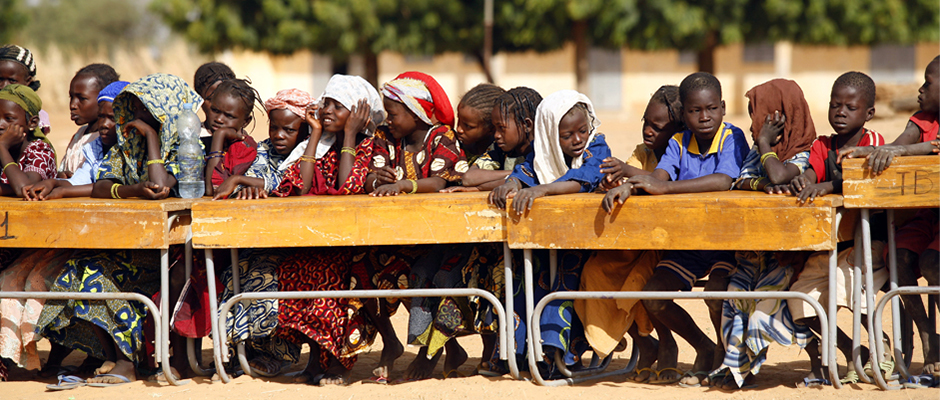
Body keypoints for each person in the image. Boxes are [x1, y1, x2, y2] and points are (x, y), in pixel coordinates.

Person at [36, 74, 201, 386]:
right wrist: (135, 189)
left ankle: (127, 361)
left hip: (168, 254)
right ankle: (117, 357)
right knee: (76, 270)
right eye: (133, 111)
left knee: (95, 274)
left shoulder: (186, 145)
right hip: (131, 247)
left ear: (161, 112)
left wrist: (152, 138)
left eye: (142, 112)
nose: (133, 119)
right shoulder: (126, 146)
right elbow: (102, 186)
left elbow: (162, 185)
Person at [612, 72, 748, 387]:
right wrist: (632, 185)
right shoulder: (677, 141)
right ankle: (704, 346)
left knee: (716, 294)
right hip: (687, 243)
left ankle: (721, 359)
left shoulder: (732, 137)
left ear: (723, 108)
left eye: (711, 109)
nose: (704, 117)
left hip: (726, 242)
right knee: (653, 295)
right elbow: (658, 177)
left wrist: (664, 188)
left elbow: (722, 181)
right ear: (683, 115)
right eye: (694, 111)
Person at [352, 71, 464, 384]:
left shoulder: (442, 136)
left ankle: (433, 352)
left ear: (416, 113)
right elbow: (370, 174)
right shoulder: (386, 137)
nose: (389, 119)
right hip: (396, 235)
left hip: (439, 238)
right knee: (361, 267)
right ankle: (391, 341)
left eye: (394, 113)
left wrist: (405, 185)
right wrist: (377, 179)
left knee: (421, 276)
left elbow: (442, 179)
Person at [489, 90, 611, 377]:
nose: (578, 139)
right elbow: (526, 171)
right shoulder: (540, 153)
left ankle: (561, 357)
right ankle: (520, 354)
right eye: (567, 135)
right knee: (525, 282)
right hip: (548, 242)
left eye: (582, 130)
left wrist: (541, 190)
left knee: (566, 289)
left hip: (585, 244)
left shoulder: (598, 146)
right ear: (548, 134)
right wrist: (512, 185)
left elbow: (584, 179)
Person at [272, 74, 382, 386]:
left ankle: (337, 363)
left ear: (358, 114)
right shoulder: (319, 146)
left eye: (338, 106)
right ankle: (312, 361)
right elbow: (301, 185)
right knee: (296, 270)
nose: (328, 110)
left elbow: (349, 186)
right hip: (314, 238)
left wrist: (350, 135)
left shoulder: (368, 146)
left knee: (332, 280)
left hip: (352, 242)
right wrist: (315, 134)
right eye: (327, 104)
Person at [781, 71, 889, 387]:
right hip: (830, 244)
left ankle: (880, 350)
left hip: (869, 239)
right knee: (800, 297)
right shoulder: (822, 145)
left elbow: (864, 179)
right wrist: (806, 181)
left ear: (869, 113)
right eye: (834, 105)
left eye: (849, 107)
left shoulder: (875, 144)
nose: (840, 112)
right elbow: (813, 174)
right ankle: (848, 348)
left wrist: (828, 185)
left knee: (849, 286)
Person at [708, 79, 817, 390]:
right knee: (733, 299)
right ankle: (737, 367)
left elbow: (780, 175)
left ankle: (818, 356)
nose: (755, 124)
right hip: (752, 254)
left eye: (760, 115)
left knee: (763, 313)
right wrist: (761, 182)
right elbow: (740, 182)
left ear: (780, 115)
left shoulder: (805, 150)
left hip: (786, 258)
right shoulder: (757, 152)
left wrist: (766, 145)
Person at [840, 56, 940, 377]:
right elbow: (898, 146)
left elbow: (929, 149)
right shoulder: (921, 120)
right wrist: (864, 153)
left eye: (927, 82)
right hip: (923, 215)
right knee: (898, 257)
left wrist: (905, 152)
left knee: (931, 263)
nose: (920, 89)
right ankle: (927, 334)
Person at [400, 83, 507, 382]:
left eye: (469, 126)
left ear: (490, 128)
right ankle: (431, 349)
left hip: (487, 243)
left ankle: (451, 353)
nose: (459, 130)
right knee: (420, 272)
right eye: (459, 122)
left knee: (448, 278)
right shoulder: (453, 148)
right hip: (454, 237)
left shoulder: (498, 152)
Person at [212, 89, 318, 378]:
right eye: (275, 127)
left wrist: (239, 179)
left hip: (300, 242)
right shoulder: (263, 149)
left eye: (289, 129)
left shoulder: (311, 152)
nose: (280, 135)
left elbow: (288, 183)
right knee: (236, 274)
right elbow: (260, 177)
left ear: (304, 130)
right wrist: (249, 184)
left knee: (267, 275)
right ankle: (241, 351)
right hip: (264, 239)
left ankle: (276, 354)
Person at [586, 86, 685, 385]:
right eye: (646, 122)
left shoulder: (679, 152)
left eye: (658, 126)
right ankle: (645, 344)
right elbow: (628, 184)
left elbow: (654, 184)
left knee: (638, 281)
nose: (648, 130)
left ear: (677, 129)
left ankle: (666, 341)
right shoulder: (642, 153)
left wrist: (628, 174)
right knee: (594, 271)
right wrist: (613, 183)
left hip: (669, 243)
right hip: (636, 241)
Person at [23, 81, 128, 200]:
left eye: (112, 118)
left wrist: (63, 191)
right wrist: (52, 183)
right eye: (101, 116)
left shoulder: (133, 152)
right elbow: (78, 181)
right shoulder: (95, 148)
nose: (104, 124)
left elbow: (104, 188)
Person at [58, 64, 119, 178]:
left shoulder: (107, 138)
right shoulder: (80, 134)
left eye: (82, 98)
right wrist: (61, 176)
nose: (73, 105)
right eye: (71, 97)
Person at [204, 78, 260, 197]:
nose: (219, 119)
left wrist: (219, 136)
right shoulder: (202, 142)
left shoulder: (244, 149)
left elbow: (213, 189)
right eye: (215, 110)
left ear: (245, 122)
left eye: (229, 116)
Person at [0, 84, 56, 198]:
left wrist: (2, 146)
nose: (0, 125)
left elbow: (25, 188)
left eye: (9, 119)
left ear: (32, 122)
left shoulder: (40, 150)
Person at [0, 45, 53, 150]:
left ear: (28, 81)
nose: (4, 86)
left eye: (12, 81)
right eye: (0, 79)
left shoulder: (34, 115)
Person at [193, 62, 237, 150]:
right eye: (212, 99)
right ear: (199, 99)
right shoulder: (194, 136)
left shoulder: (239, 136)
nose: (219, 106)